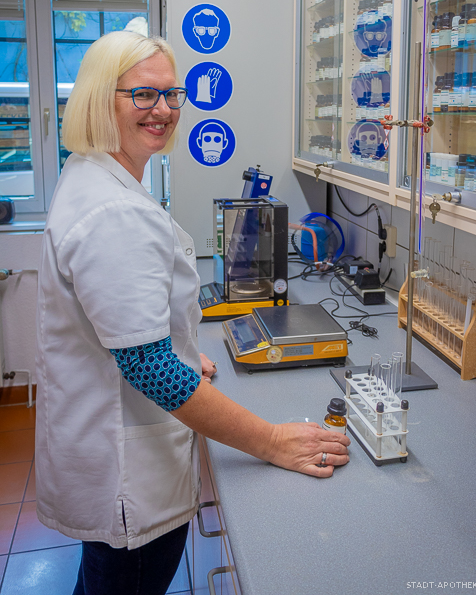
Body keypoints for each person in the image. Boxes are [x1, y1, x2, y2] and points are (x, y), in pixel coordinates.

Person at [35, 31, 350, 595]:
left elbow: (125, 330)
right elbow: (148, 367)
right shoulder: (112, 211)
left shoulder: (96, 175)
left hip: (110, 448)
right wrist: (271, 439)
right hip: (128, 475)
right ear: (101, 99)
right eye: (142, 94)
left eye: (172, 94)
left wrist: (178, 351)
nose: (163, 110)